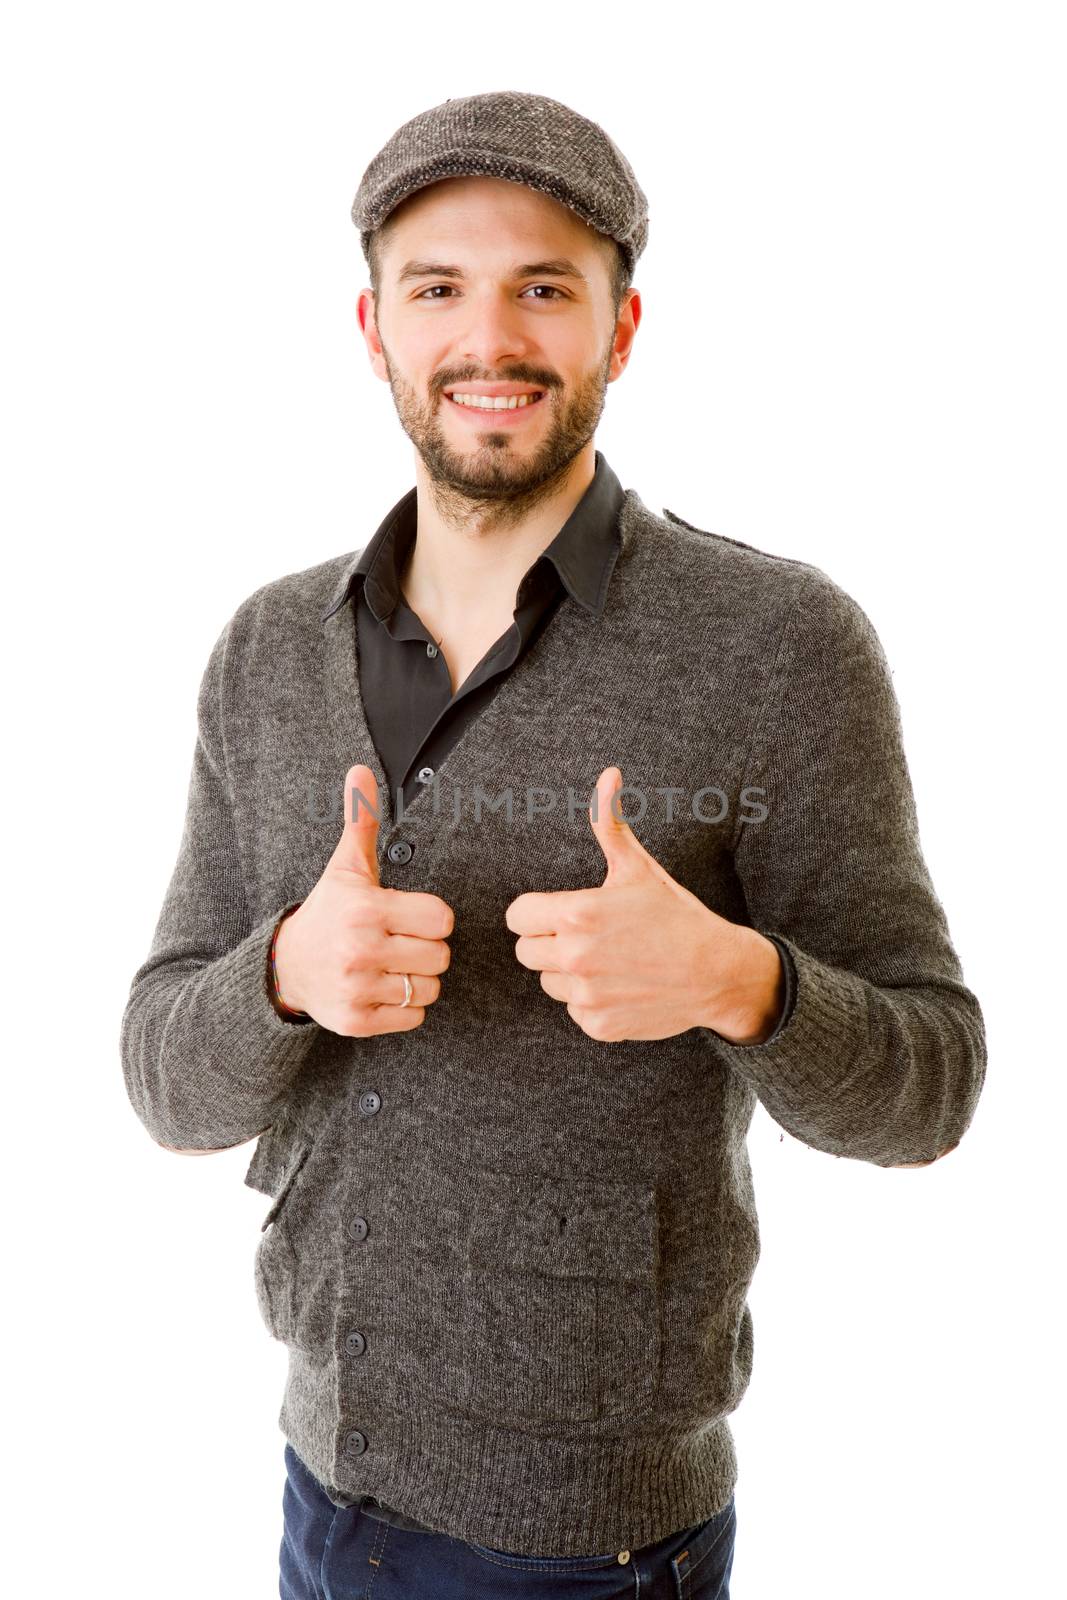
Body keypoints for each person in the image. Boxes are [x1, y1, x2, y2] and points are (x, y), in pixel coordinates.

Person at [120, 90, 987, 1597]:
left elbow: (930, 1086)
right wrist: (279, 977)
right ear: (374, 327)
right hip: (321, 1481)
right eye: (438, 288)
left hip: (589, 1538)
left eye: (545, 288)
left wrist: (741, 981)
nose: (491, 340)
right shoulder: (266, 649)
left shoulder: (778, 645)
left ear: (622, 329)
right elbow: (158, 1074)